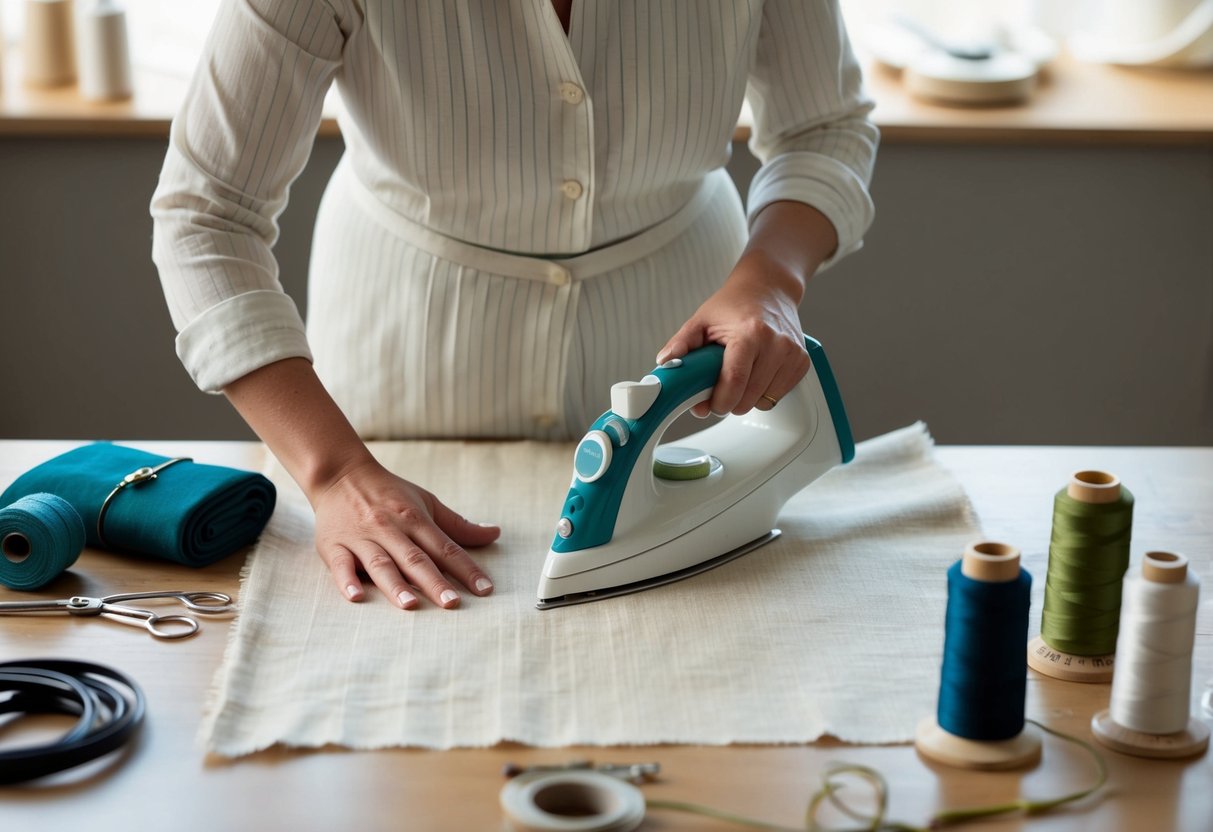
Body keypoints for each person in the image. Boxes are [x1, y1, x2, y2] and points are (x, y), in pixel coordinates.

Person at [151, 0, 878, 611]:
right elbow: (207, 214)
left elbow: (823, 127)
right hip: (399, 369)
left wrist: (770, 280)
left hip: (687, 330)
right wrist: (335, 473)